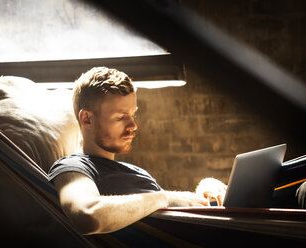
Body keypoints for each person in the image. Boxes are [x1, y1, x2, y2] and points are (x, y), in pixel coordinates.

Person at [48, 67, 227, 235]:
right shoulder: (72, 167)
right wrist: (164, 198)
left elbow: (171, 208)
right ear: (87, 119)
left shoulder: (136, 172)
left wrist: (204, 191)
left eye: (133, 115)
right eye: (120, 117)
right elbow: (87, 214)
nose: (133, 125)